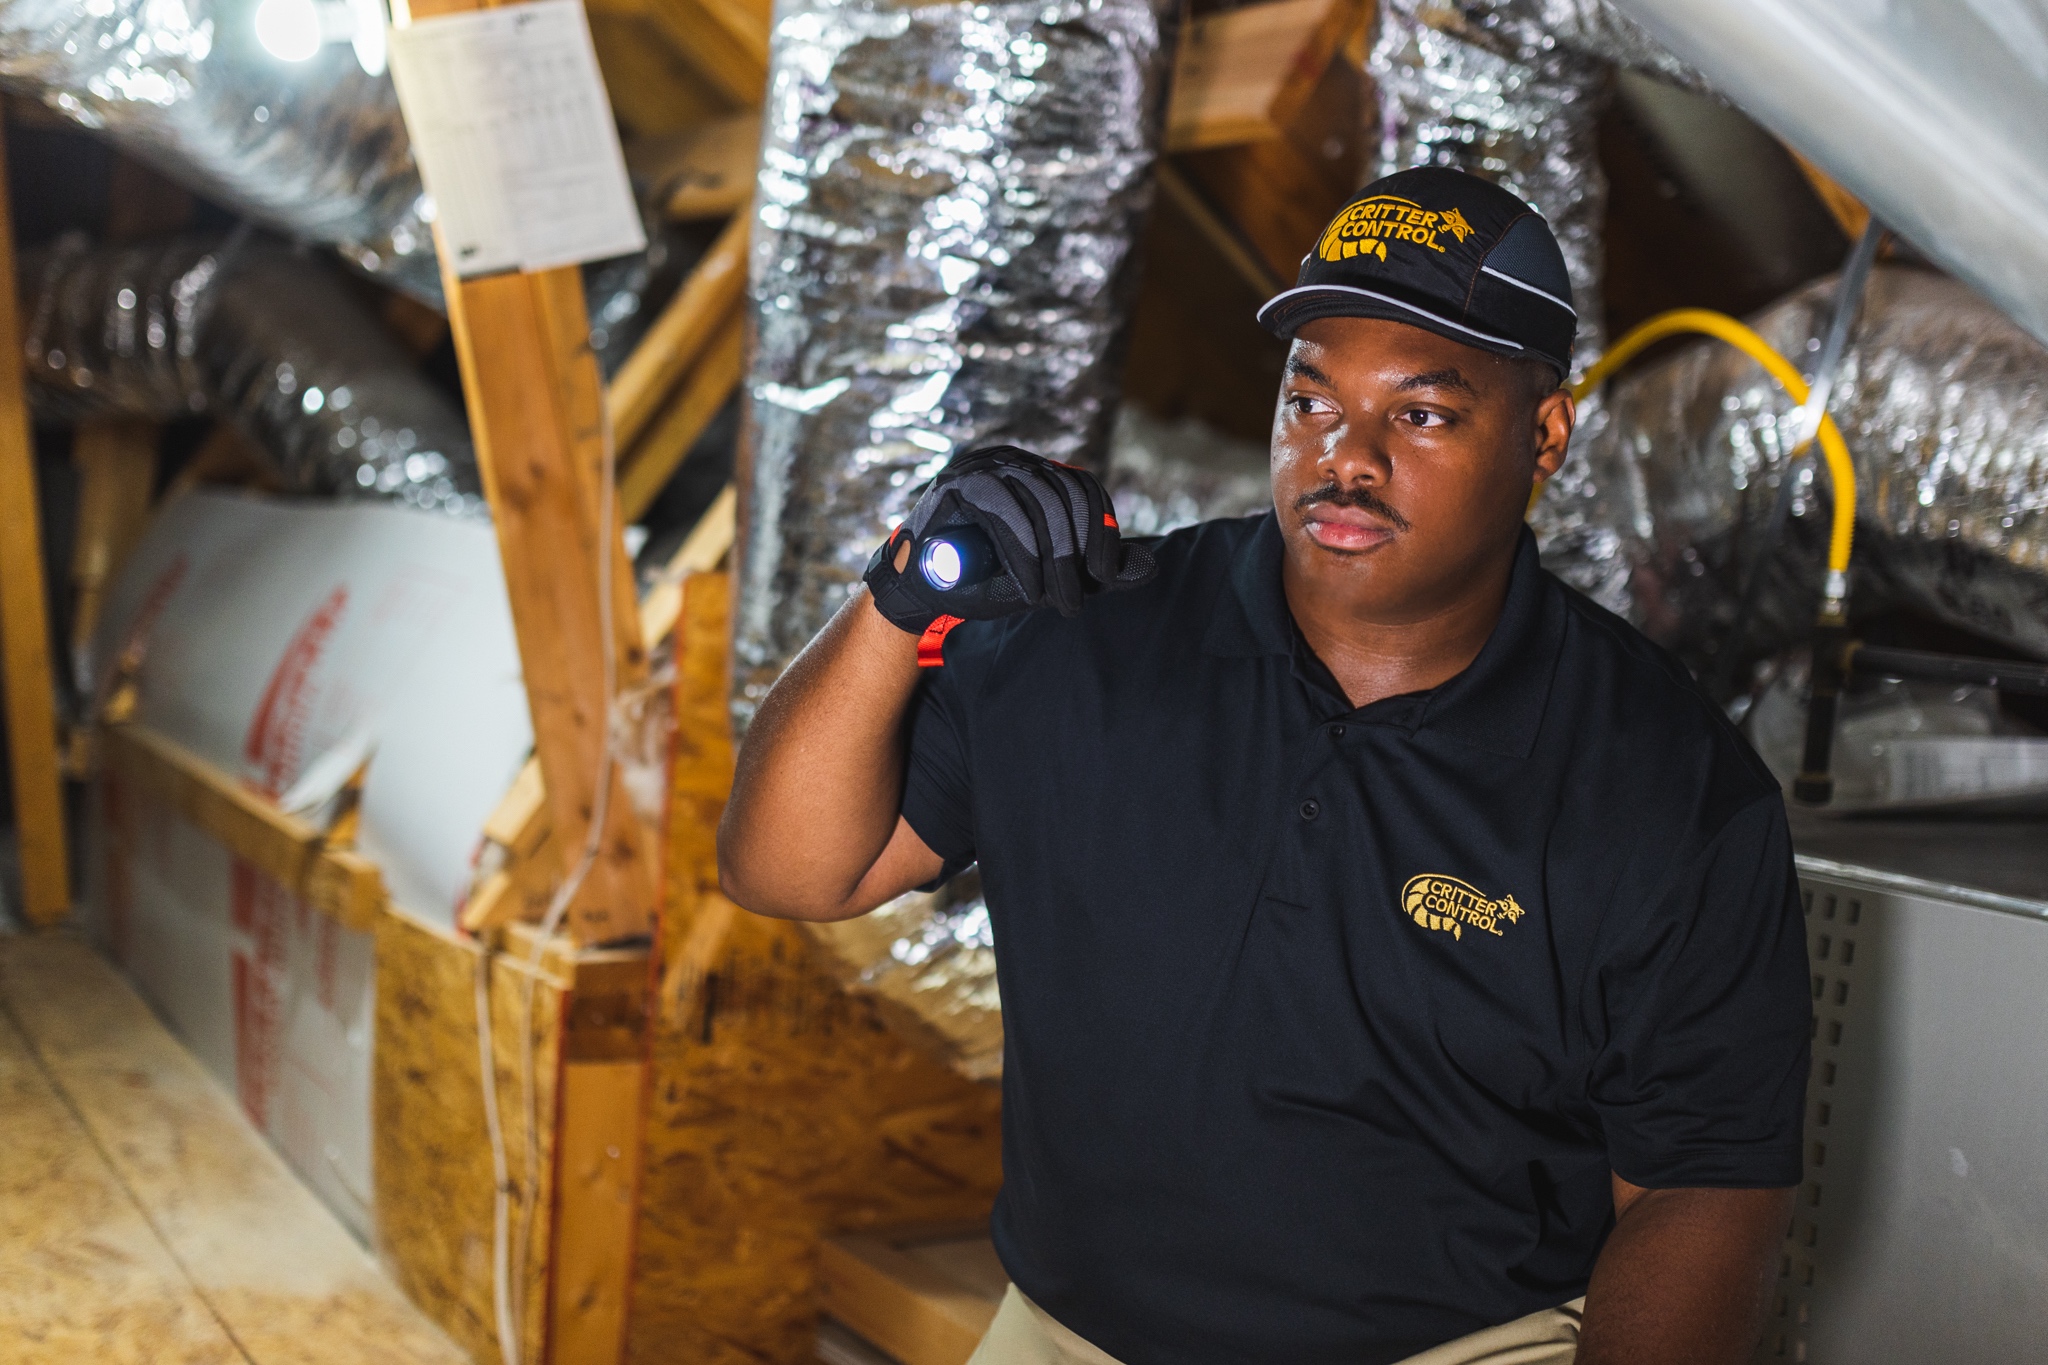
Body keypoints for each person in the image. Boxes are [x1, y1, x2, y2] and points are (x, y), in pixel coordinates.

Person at [718, 166, 1810, 1365]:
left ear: (1543, 435)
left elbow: (1699, 1188)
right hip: (1065, 1335)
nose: (1347, 458)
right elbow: (788, 868)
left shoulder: (1662, 785)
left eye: (1421, 414)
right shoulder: (1090, 635)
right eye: (1311, 403)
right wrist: (899, 589)